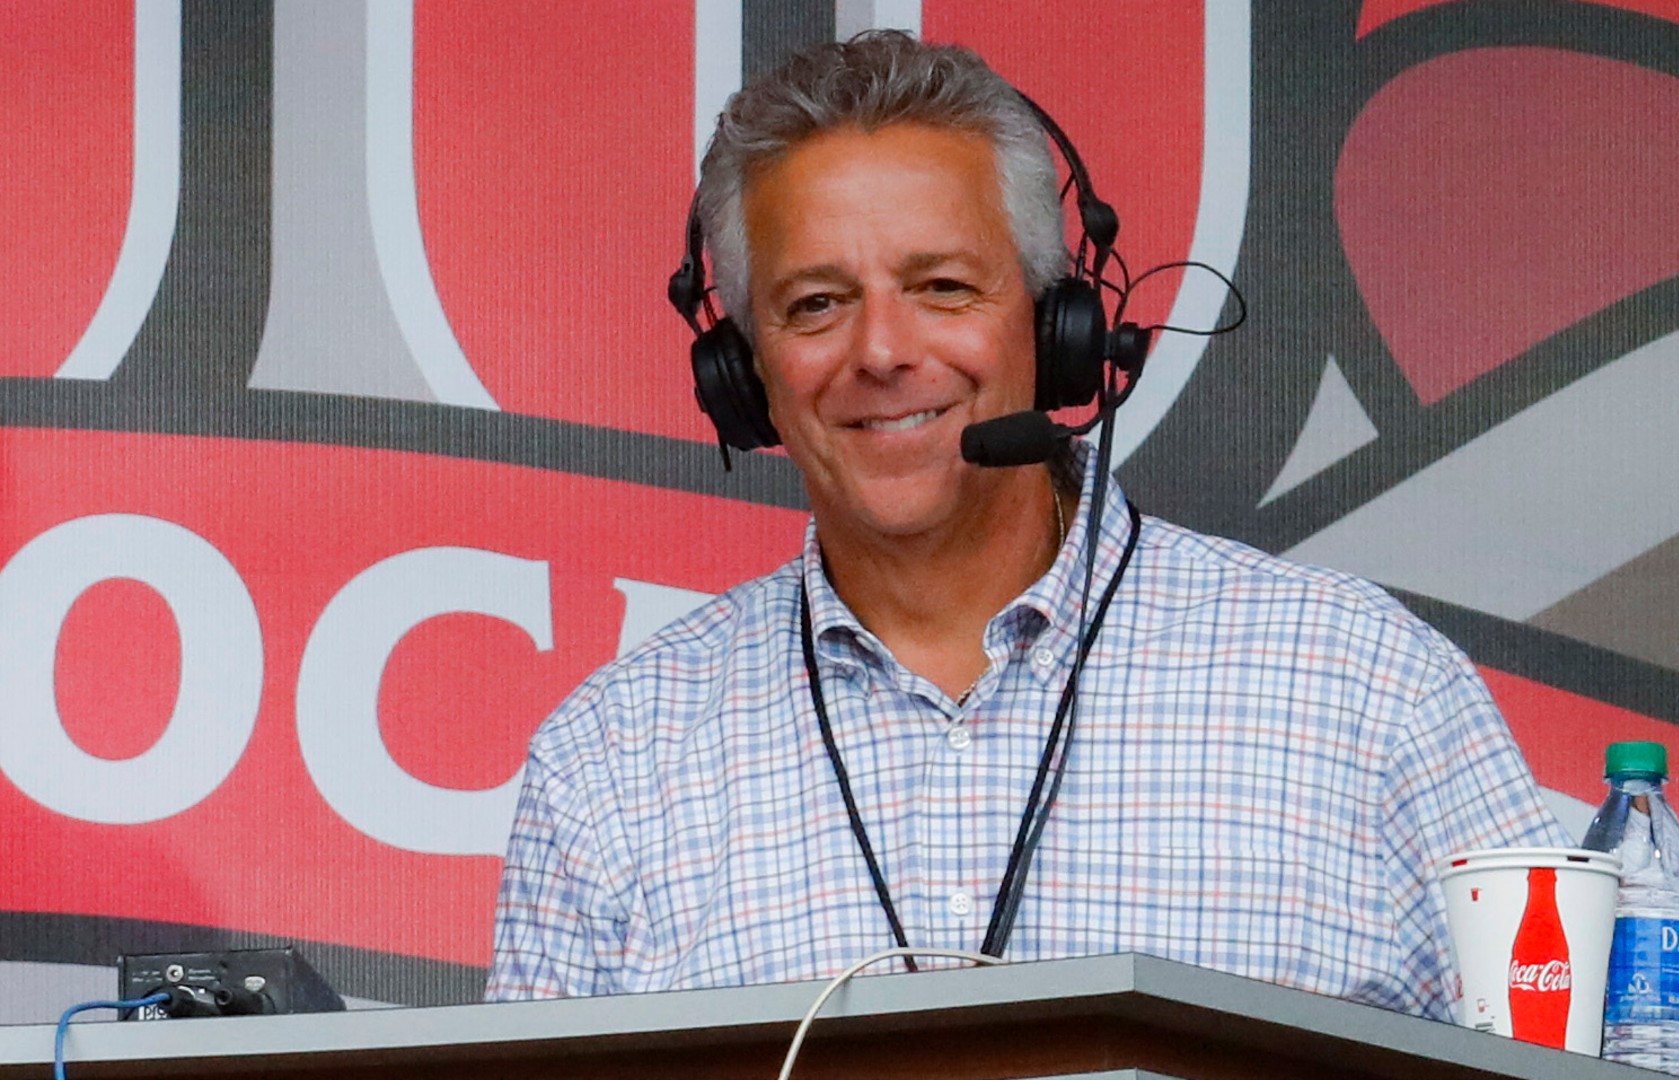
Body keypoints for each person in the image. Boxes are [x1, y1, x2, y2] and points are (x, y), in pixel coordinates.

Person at [488, 27, 1577, 1038]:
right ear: (742, 372)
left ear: (1059, 327)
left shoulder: (1365, 690)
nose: (882, 350)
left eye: (943, 287)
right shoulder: (610, 764)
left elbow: (1631, 1062)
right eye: (816, 303)